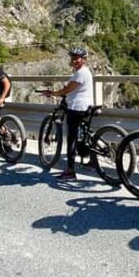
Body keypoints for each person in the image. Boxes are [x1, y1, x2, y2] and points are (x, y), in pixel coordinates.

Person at [41, 47, 94, 181]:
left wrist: (51, 93)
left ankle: (70, 171)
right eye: (73, 58)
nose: (75, 60)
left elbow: (67, 90)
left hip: (77, 107)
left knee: (72, 139)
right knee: (84, 133)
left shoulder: (81, 73)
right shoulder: (81, 72)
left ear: (84, 59)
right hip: (85, 106)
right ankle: (93, 161)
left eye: (78, 58)